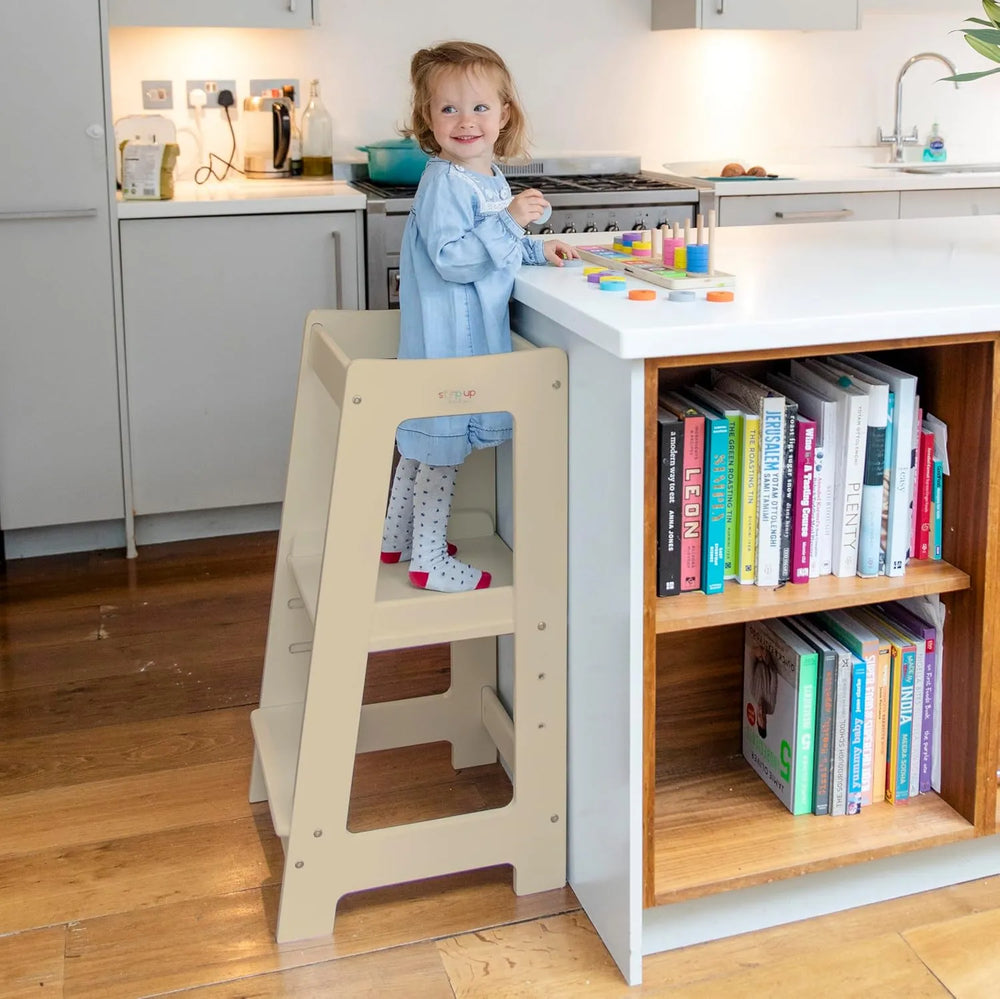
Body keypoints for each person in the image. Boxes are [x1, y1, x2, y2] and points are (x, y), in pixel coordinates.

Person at [380, 40, 578, 593]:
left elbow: (495, 248)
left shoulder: (485, 177)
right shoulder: (445, 181)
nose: (466, 121)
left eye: (480, 108)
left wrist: (539, 248)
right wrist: (513, 223)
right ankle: (428, 561)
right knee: (439, 450)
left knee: (423, 443)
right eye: (448, 109)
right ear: (428, 118)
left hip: (461, 336)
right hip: (448, 340)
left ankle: (396, 539)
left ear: (504, 115)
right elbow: (453, 260)